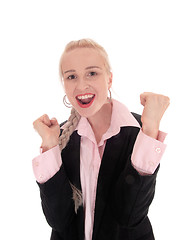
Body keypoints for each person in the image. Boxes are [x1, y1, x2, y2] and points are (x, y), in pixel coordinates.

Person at [32, 38, 170, 240]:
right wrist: (50, 147)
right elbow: (59, 221)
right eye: (71, 76)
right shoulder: (59, 136)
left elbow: (129, 216)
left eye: (92, 73)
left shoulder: (140, 132)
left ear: (110, 79)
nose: (81, 85)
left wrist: (149, 132)